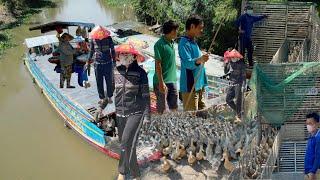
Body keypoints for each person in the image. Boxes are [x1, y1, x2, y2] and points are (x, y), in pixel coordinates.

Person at [112, 50, 150, 180]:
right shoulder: (116, 70)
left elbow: (145, 96)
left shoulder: (141, 73)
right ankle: (136, 175)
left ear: (133, 57)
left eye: (126, 54)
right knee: (129, 146)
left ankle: (122, 172)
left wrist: (147, 116)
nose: (123, 56)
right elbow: (112, 91)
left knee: (125, 143)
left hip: (135, 113)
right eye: (121, 54)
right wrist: (101, 106)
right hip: (120, 113)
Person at [178, 14, 209, 111]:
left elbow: (199, 62)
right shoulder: (183, 43)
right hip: (190, 87)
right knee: (191, 118)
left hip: (199, 86)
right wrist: (200, 59)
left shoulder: (193, 42)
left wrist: (202, 58)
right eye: (200, 28)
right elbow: (187, 63)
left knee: (203, 115)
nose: (202, 30)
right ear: (192, 26)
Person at [153, 20, 179, 114]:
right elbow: (158, 65)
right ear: (172, 31)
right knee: (162, 110)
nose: (177, 32)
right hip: (161, 82)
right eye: (176, 30)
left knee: (174, 107)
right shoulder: (159, 44)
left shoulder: (172, 43)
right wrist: (161, 83)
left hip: (172, 81)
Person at [88, 26, 116, 109]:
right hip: (97, 64)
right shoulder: (93, 39)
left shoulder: (109, 39)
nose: (100, 35)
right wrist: (88, 60)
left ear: (104, 33)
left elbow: (113, 50)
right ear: (95, 34)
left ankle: (110, 96)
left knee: (109, 81)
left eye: (101, 33)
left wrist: (114, 61)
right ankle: (102, 98)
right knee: (99, 81)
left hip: (108, 63)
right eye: (98, 33)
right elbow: (91, 50)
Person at [224, 49, 246, 123]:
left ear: (237, 58)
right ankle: (238, 111)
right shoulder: (229, 63)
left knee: (238, 100)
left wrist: (244, 84)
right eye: (231, 57)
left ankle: (239, 116)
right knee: (228, 99)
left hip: (239, 83)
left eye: (234, 57)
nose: (232, 58)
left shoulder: (241, 64)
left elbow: (243, 75)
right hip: (231, 83)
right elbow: (225, 72)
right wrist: (226, 64)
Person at [304, 112, 320, 180]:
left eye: (310, 123)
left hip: (314, 173)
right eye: (307, 123)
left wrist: (313, 171)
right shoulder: (311, 137)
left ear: (317, 123)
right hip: (308, 172)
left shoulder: (318, 137)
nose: (308, 126)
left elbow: (318, 156)